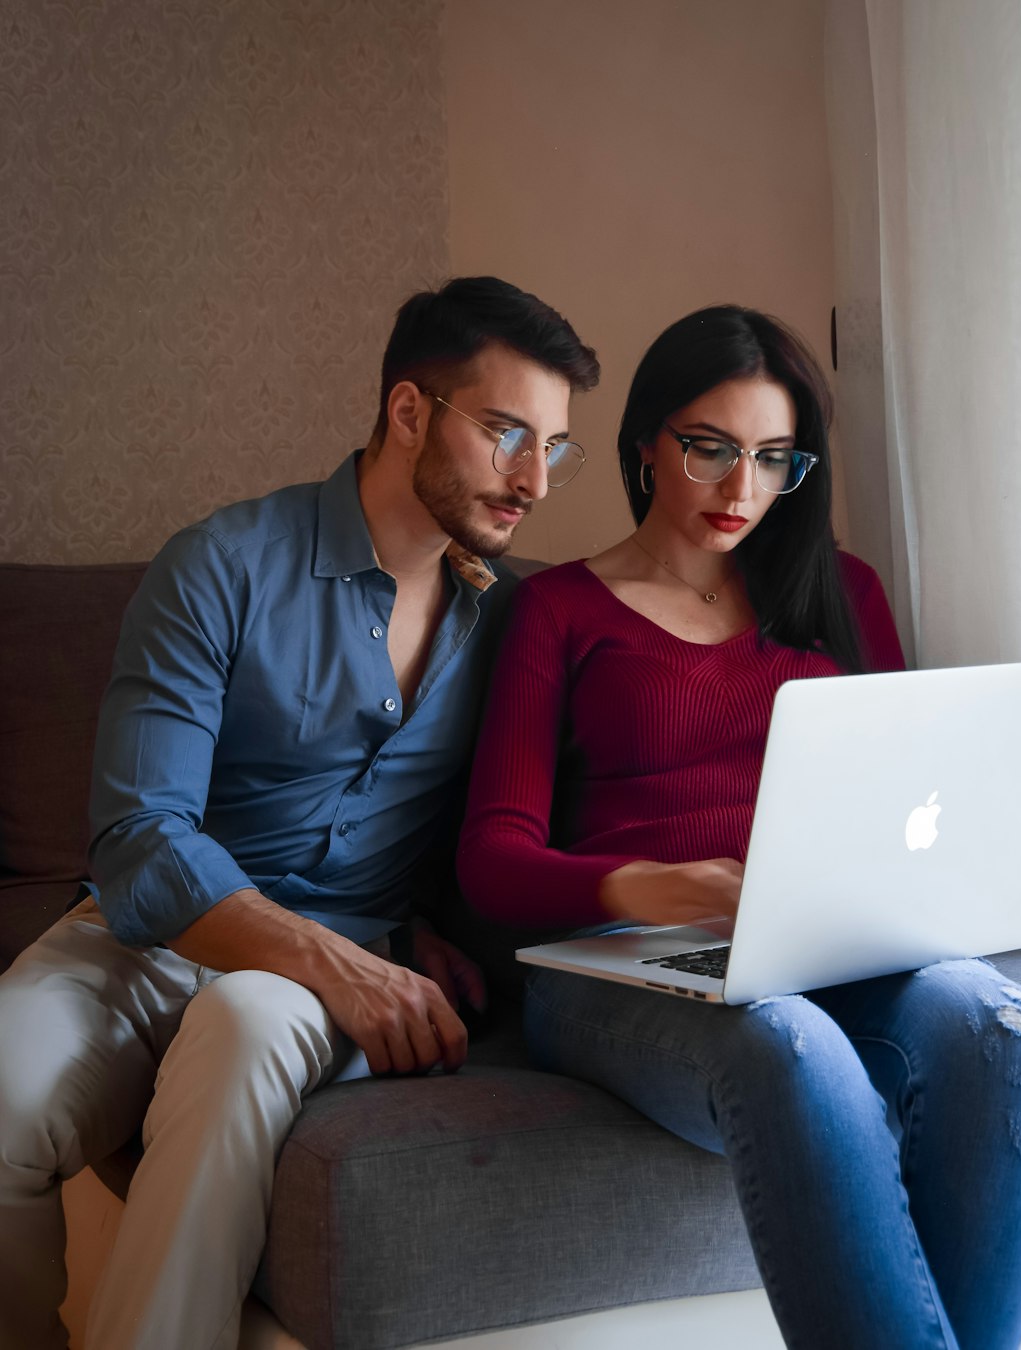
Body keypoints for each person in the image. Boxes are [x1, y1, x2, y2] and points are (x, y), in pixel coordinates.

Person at [0, 275, 599, 1350]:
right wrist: (330, 959)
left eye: (555, 446)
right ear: (408, 411)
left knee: (243, 1024)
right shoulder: (219, 568)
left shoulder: (515, 623)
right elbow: (140, 845)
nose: (535, 481)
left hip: (331, 961)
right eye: (509, 432)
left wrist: (411, 930)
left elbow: (511, 827)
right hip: (148, 936)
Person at [457, 304, 1021, 1350]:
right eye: (711, 451)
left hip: (824, 944)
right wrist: (650, 884)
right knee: (783, 1041)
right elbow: (490, 860)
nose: (743, 492)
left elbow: (912, 798)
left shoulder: (841, 592)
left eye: (775, 459)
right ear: (645, 442)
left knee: (1000, 1021)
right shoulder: (557, 611)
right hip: (621, 963)